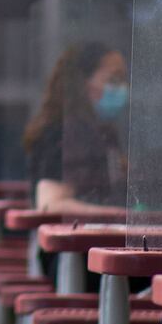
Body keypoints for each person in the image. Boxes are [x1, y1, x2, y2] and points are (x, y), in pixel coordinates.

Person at [24, 40, 128, 213]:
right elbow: (51, 204)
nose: (123, 89)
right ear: (82, 83)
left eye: (124, 80)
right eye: (113, 80)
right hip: (75, 237)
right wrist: (121, 216)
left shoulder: (105, 133)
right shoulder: (61, 134)